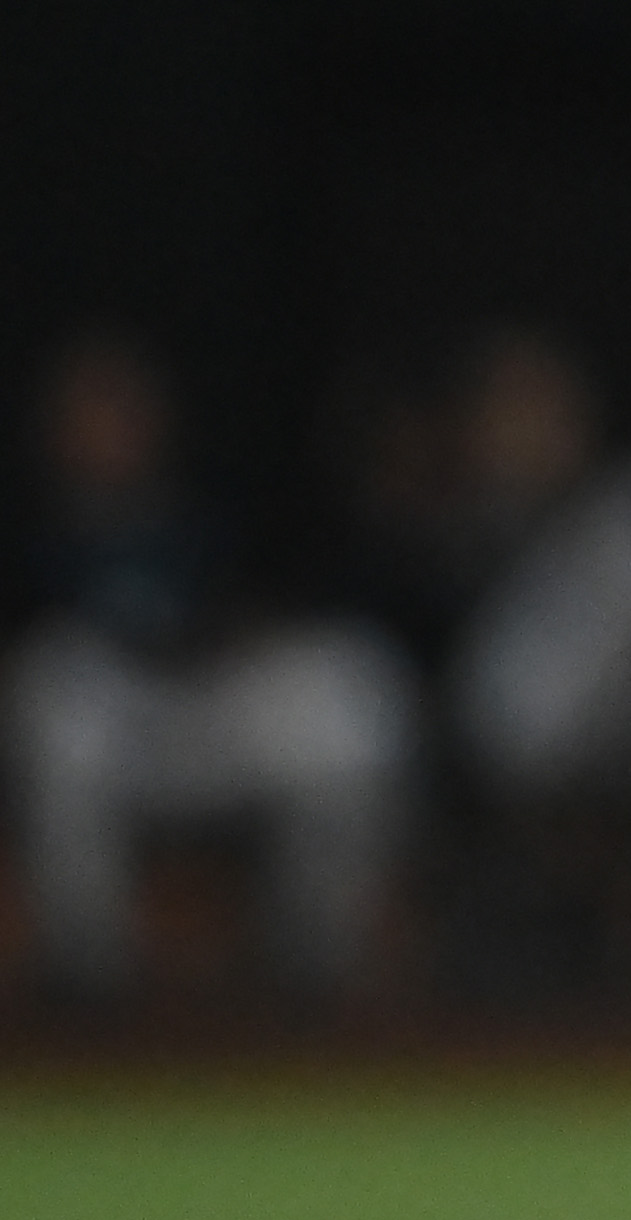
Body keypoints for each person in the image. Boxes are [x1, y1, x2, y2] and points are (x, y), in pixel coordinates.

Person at [10, 331, 414, 1004]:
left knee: (351, 689)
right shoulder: (28, 523)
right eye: (89, 412)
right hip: (115, 723)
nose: (109, 431)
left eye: (123, 410)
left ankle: (316, 968)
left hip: (216, 708)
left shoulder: (210, 503)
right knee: (53, 694)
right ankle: (89, 985)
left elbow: (289, 600)